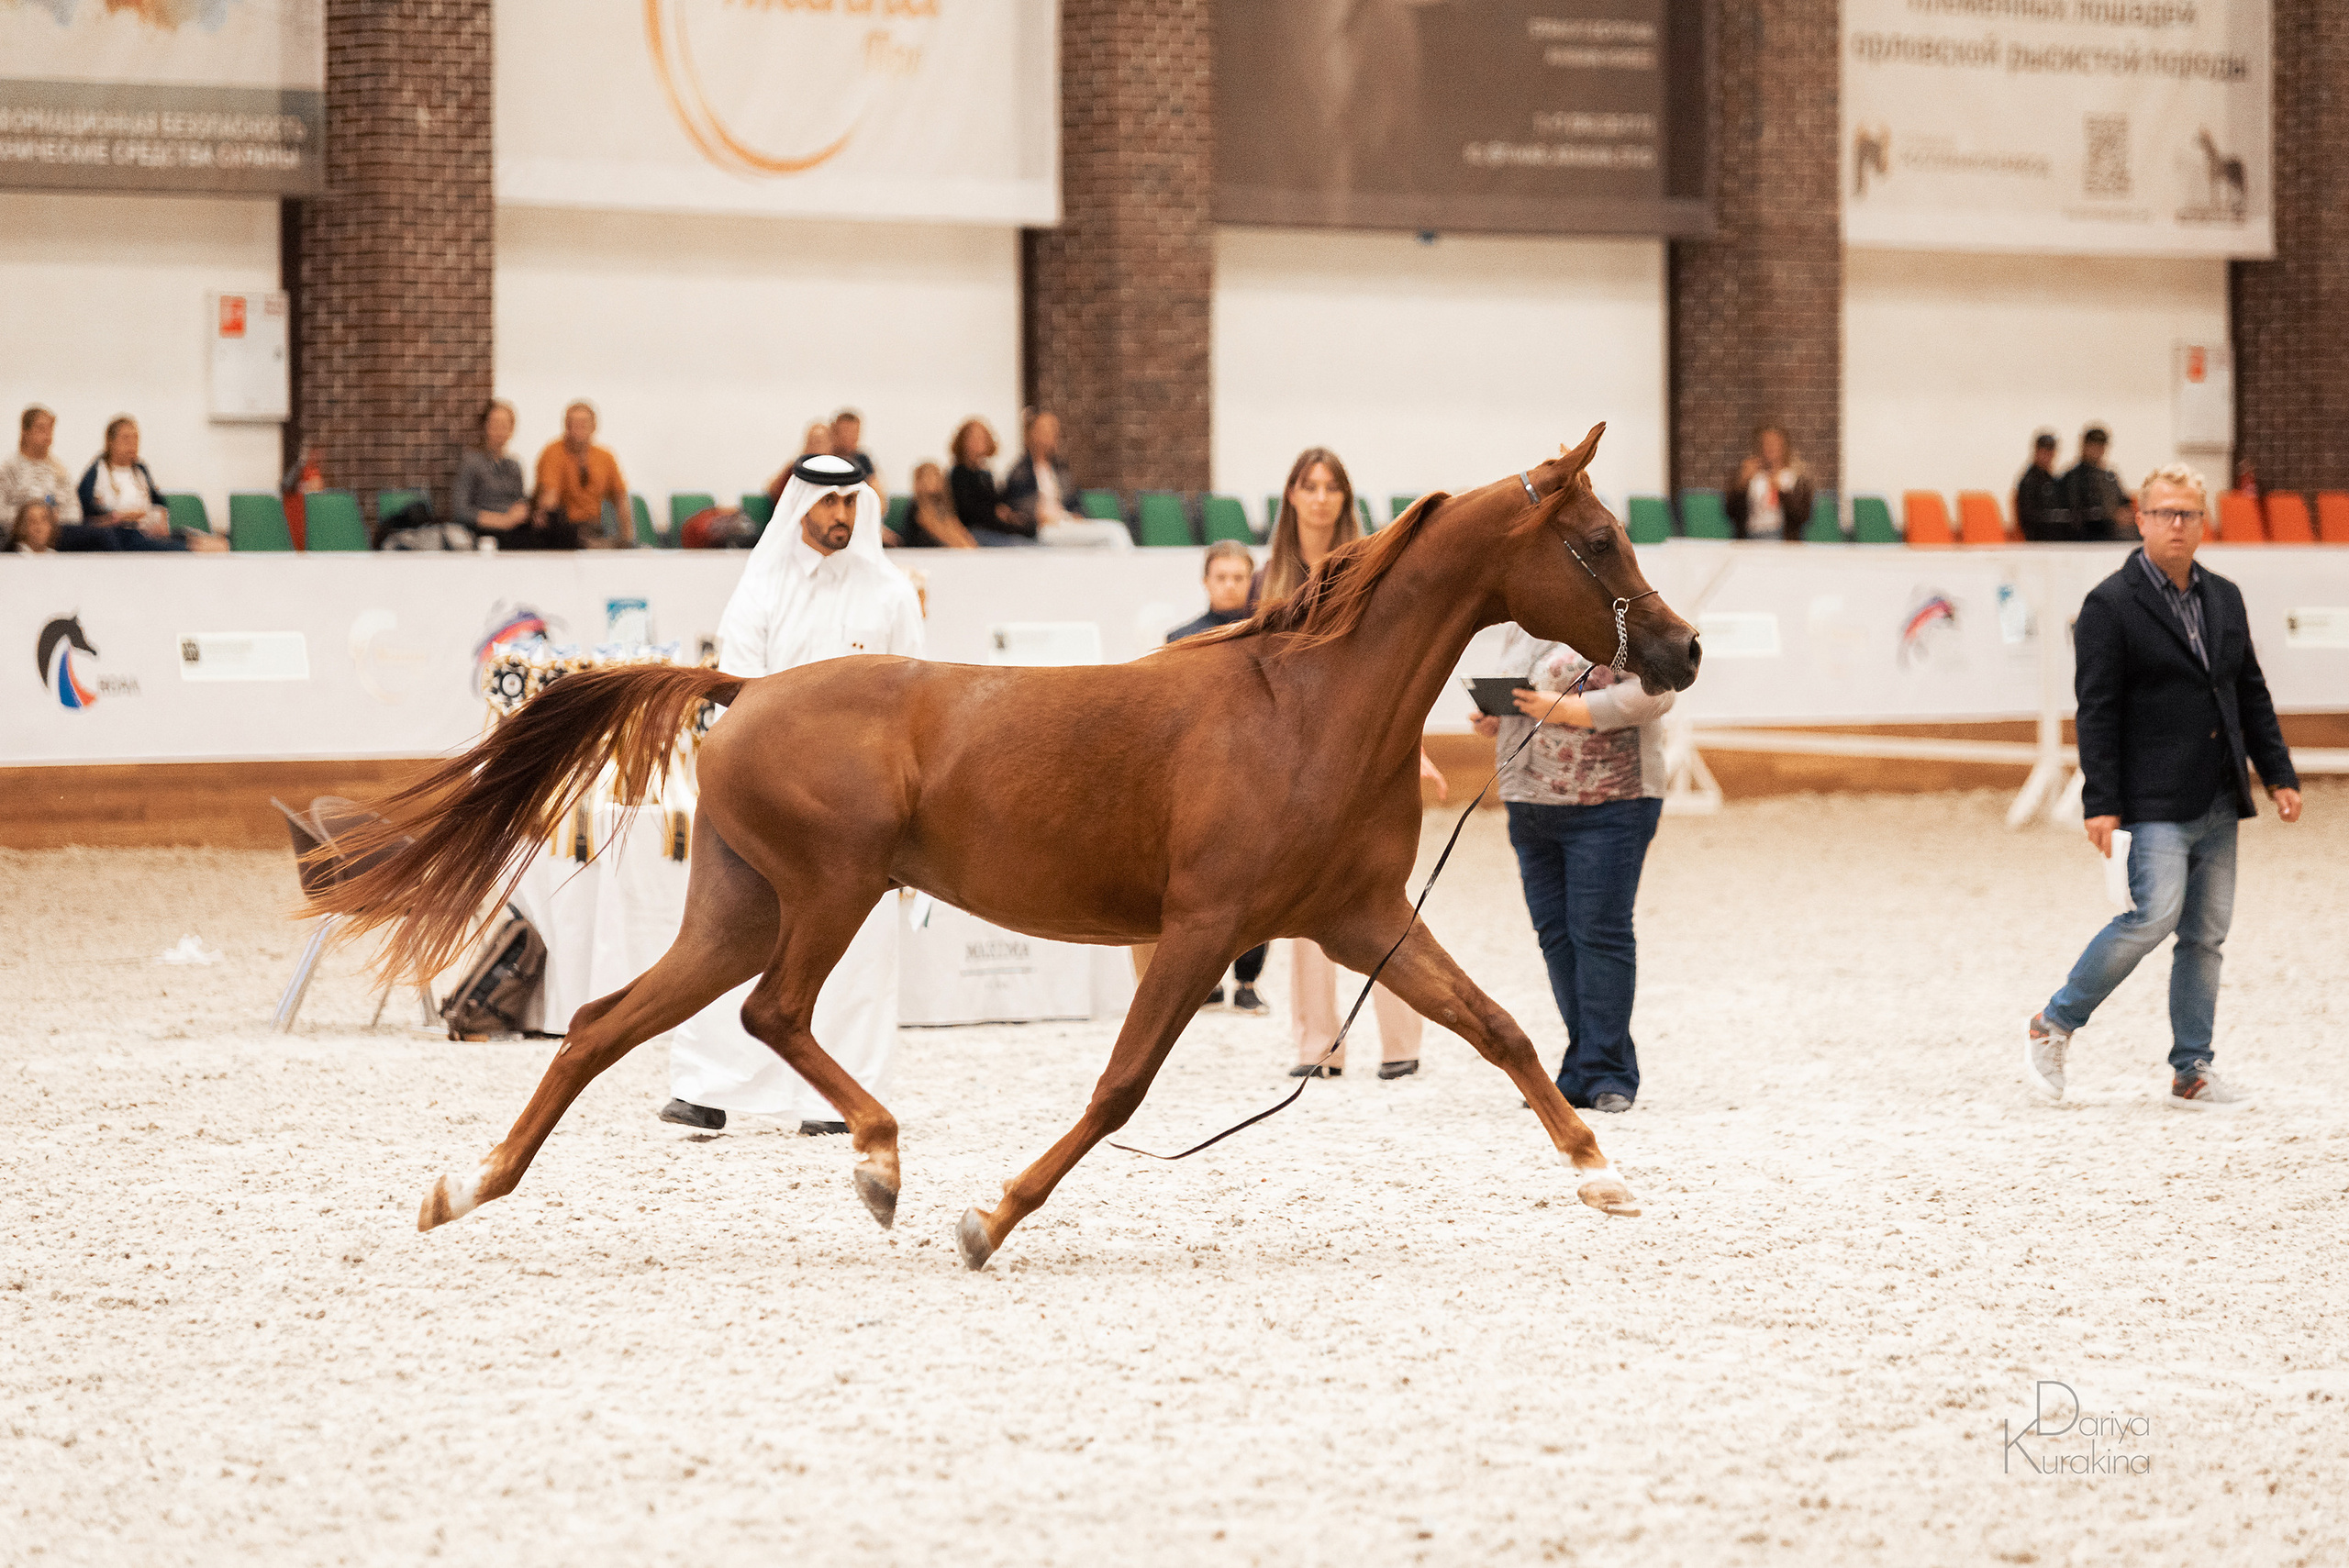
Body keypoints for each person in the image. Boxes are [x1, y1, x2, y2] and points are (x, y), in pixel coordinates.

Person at [662, 453, 927, 1136]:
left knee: (859, 949)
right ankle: (704, 1084)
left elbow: (921, 700)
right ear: (801, 505)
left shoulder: (890, 593)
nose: (840, 515)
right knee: (731, 931)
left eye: (850, 503)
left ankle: (834, 1097)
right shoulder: (760, 590)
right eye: (828, 503)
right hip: (773, 795)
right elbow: (740, 697)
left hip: (865, 808)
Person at [2025, 464, 2301, 1113]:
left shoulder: (2226, 597)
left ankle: (2192, 1069)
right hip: (2151, 799)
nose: (2178, 525)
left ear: (2203, 523)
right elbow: (2096, 709)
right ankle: (2054, 1021)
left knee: (2205, 935)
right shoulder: (2110, 604)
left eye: (2189, 514)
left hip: (2218, 795)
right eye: (2165, 513)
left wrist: (2279, 772)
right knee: (2150, 917)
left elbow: (2249, 691)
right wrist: (2101, 800)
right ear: (2141, 519)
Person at [1261, 446, 1446, 1076]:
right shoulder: (1274, 574)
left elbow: (1394, 669)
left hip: (1366, 748)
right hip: (1296, 756)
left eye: (1330, 485)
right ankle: (1319, 1045)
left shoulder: (1370, 566)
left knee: (1378, 890)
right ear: (1292, 494)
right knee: (1303, 898)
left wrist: (1413, 751)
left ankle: (1403, 1042)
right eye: (1308, 484)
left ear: (1344, 496)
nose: (1319, 496)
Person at [1470, 629, 1675, 1113]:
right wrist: (1496, 718)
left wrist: (1571, 710)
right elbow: (1527, 700)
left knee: (1599, 933)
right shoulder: (1520, 628)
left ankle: (1609, 1072)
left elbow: (1659, 690)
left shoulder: (1621, 623)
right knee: (1556, 936)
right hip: (1530, 803)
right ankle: (1585, 1066)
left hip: (1612, 803)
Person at [1157, 539, 1271, 1014]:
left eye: (1238, 577)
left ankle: (1247, 981)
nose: (1229, 584)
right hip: (1197, 777)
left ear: (1251, 581)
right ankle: (1201, 980)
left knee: (1257, 881)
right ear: (1206, 582)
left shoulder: (1269, 637)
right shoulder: (1180, 639)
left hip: (1259, 775)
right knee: (1194, 882)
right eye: (1220, 576)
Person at [72, 417, 226, 551]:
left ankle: (194, 545)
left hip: (149, 532)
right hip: (120, 535)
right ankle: (191, 549)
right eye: (126, 439)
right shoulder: (98, 472)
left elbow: (157, 502)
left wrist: (160, 517)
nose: (132, 445)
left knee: (202, 539)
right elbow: (85, 519)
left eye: (135, 439)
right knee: (142, 541)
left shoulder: (140, 470)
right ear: (110, 442)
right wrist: (120, 517)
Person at [1003, 408, 1129, 549]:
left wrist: (1078, 515)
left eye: (1054, 431)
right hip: (1043, 529)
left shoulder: (1060, 468)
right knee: (1110, 536)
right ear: (1032, 433)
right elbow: (1017, 507)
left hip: (1067, 521)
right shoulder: (1020, 471)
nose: (1050, 435)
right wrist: (1038, 517)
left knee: (1117, 529)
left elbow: (1074, 500)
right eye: (1045, 430)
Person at [529, 401, 629, 549]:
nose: (577, 430)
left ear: (594, 426)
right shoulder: (553, 452)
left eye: (583, 424)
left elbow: (620, 497)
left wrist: (627, 537)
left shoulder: (605, 457)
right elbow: (549, 497)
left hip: (593, 527)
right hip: (563, 529)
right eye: (573, 424)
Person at [1, 406, 82, 550]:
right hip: (18, 533)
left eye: (50, 430)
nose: (47, 435)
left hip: (57, 532)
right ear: (25, 432)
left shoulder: (59, 470)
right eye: (41, 429)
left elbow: (75, 512)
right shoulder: (9, 468)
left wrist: (50, 521)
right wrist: (30, 518)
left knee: (101, 536)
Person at [453, 399, 531, 542]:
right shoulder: (472, 462)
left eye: (504, 425)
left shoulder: (513, 466)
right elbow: (461, 511)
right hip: (483, 531)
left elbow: (520, 502)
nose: (499, 431)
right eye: (495, 424)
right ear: (485, 426)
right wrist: (502, 521)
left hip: (514, 529)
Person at [948, 417, 1033, 547]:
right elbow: (968, 511)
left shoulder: (985, 475)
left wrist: (1007, 513)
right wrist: (995, 513)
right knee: (1021, 546)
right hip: (974, 531)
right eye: (973, 438)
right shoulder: (959, 475)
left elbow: (997, 501)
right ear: (963, 442)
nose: (978, 442)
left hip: (992, 527)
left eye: (981, 437)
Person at [1723, 423, 1813, 540]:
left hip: (1782, 538)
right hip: (1752, 536)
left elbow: (1802, 515)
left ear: (1784, 446)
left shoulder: (1795, 477)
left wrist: (1781, 491)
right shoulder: (1751, 475)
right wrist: (1741, 485)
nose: (1770, 447)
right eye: (1766, 443)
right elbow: (1731, 513)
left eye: (1775, 443)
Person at [2062, 425, 2132, 542]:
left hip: (2113, 534)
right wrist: (2111, 516)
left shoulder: (2109, 476)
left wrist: (2125, 514)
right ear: (2084, 446)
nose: (2097, 450)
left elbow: (2125, 503)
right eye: (2093, 445)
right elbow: (2075, 515)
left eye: (2101, 445)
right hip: (2088, 537)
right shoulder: (2073, 478)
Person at [900, 461, 978, 549]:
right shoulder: (916, 507)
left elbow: (956, 527)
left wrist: (967, 543)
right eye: (928, 477)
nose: (932, 481)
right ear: (918, 482)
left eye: (935, 476)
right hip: (923, 552)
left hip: (944, 550)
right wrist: (960, 546)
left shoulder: (942, 504)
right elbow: (938, 534)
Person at [2014, 430, 2075, 541]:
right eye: (2043, 451)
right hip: (2040, 538)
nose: (2047, 456)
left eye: (2050, 452)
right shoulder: (2029, 481)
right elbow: (2028, 518)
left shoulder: (2053, 480)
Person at [829, 409, 882, 496]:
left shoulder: (862, 459)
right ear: (834, 432)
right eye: (846, 431)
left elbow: (877, 491)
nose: (851, 437)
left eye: (854, 432)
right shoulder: (826, 458)